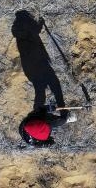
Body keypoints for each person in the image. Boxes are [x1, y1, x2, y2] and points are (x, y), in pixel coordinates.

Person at [12, 10, 77, 145]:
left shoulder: (47, 126)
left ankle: (65, 114)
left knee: (59, 114)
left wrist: (63, 115)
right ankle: (54, 109)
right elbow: (35, 30)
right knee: (40, 95)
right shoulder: (28, 125)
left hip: (36, 66)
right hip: (29, 68)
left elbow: (49, 120)